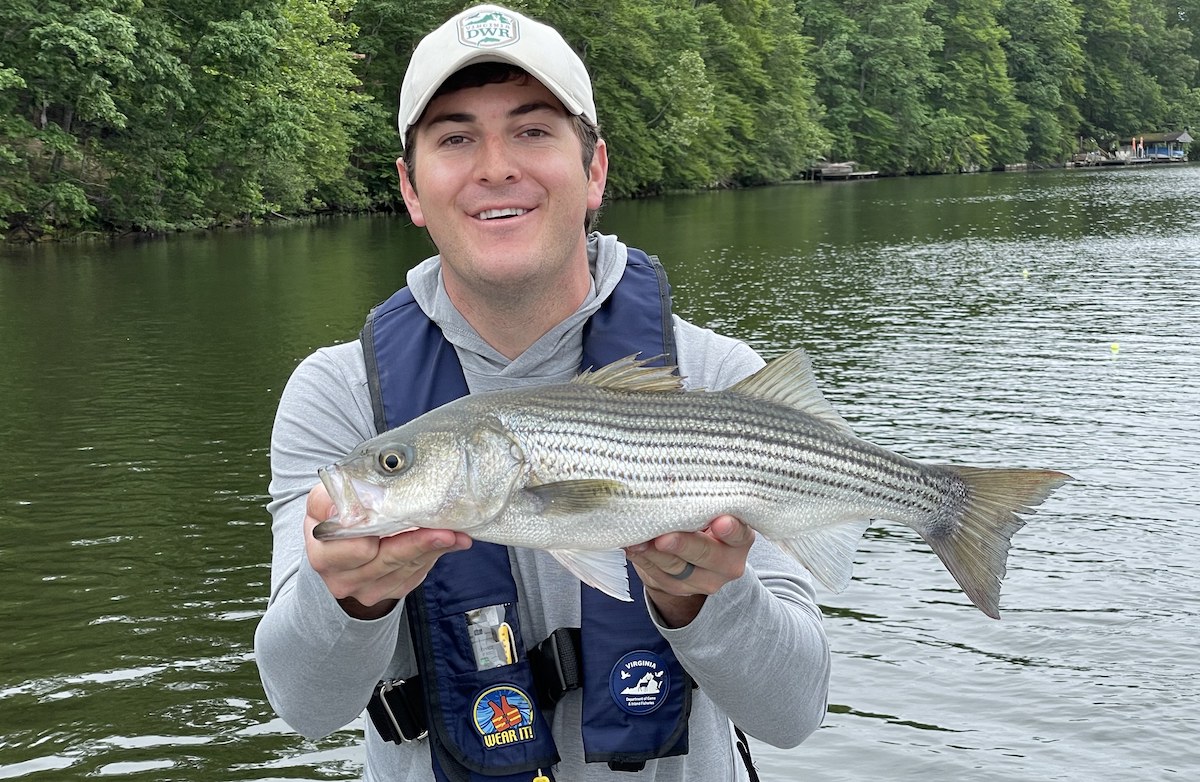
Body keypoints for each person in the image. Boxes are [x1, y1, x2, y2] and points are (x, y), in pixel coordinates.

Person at [254, 4, 830, 780]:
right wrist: (349, 601)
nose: (496, 167)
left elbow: (793, 714)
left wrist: (703, 598)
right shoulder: (337, 396)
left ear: (594, 171)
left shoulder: (717, 378)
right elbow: (304, 709)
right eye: (455, 138)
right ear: (411, 189)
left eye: (532, 130)